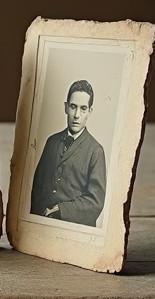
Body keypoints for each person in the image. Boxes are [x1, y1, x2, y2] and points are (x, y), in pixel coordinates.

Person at [29, 79, 107, 226]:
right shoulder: (52, 142)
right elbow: (38, 187)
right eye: (73, 107)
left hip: (75, 229)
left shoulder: (96, 151)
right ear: (66, 107)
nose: (77, 115)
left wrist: (61, 210)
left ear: (90, 112)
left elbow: (95, 202)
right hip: (45, 226)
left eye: (83, 108)